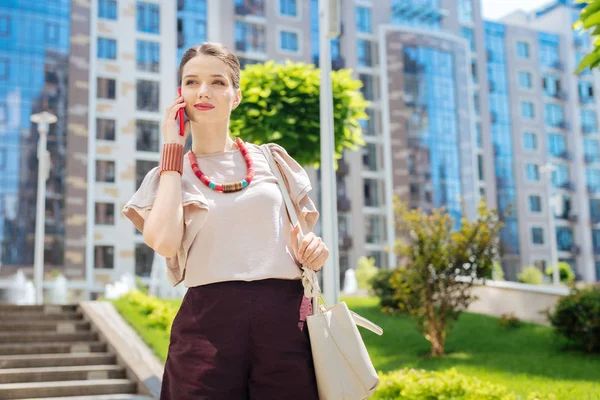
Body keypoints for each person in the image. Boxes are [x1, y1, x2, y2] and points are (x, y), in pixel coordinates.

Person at [122, 42, 329, 399]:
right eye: (191, 82)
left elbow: (300, 241)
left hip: (283, 318)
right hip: (206, 324)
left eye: (218, 82)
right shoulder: (171, 173)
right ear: (180, 95)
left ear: (236, 96)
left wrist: (314, 249)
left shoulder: (273, 162)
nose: (203, 91)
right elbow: (165, 243)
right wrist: (173, 148)